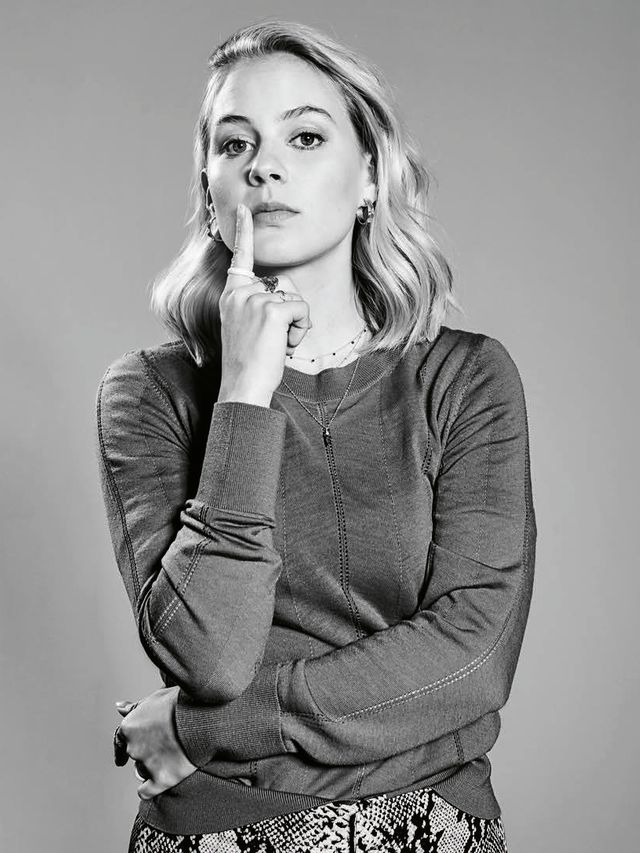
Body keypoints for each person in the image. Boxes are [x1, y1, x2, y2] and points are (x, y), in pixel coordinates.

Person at [95, 18, 536, 853]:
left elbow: (471, 661)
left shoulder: (466, 378)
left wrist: (202, 728)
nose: (264, 166)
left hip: (428, 829)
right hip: (219, 834)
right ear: (211, 188)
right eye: (236, 144)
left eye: (304, 137)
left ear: (369, 174)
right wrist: (244, 393)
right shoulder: (148, 394)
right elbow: (212, 655)